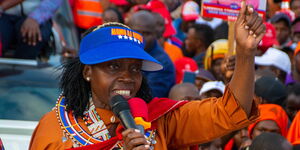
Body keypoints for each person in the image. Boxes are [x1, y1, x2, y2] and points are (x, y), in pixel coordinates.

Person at [29, 1, 266, 148]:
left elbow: (231, 112)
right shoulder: (53, 128)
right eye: (114, 67)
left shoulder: (160, 119)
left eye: (135, 68)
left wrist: (245, 53)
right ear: (88, 72)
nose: (127, 77)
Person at [128, 10, 176, 98]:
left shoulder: (162, 63)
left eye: (147, 33)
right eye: (136, 32)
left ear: (155, 34)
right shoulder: (122, 51)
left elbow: (148, 97)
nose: (141, 38)